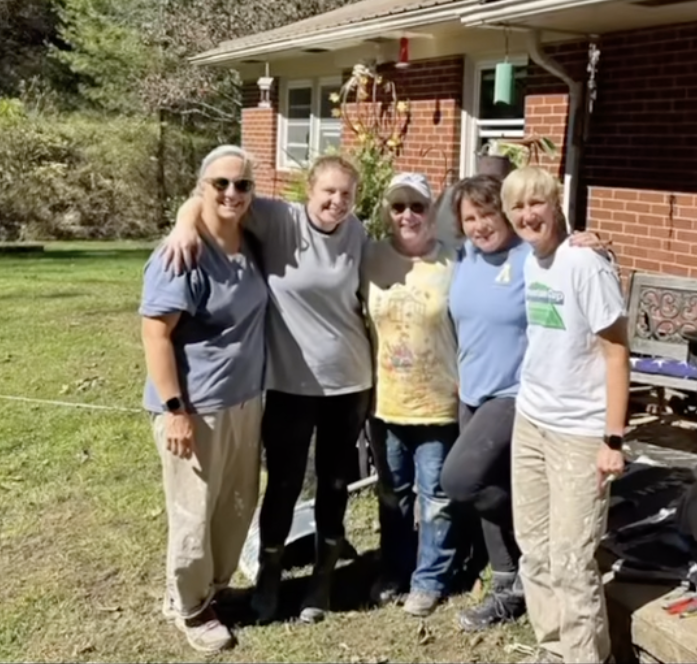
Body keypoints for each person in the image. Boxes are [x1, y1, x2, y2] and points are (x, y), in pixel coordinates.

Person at [162, 155, 373, 625]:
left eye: (346, 195)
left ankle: (322, 578)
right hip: (289, 384)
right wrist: (182, 226)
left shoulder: (357, 233)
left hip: (350, 382)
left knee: (336, 482)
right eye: (328, 192)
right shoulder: (280, 219)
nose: (336, 203)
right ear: (309, 192)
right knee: (283, 482)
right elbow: (217, 199)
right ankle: (269, 578)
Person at [440, 174, 606, 633]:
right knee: (488, 481)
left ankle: (537, 544)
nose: (479, 226)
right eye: (469, 218)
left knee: (461, 481)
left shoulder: (530, 257)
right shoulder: (464, 257)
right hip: (471, 389)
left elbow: (570, 263)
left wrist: (587, 241)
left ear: (506, 215)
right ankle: (509, 582)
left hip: (515, 393)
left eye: (487, 215)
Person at [141, 145, 268, 653]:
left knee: (235, 505)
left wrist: (189, 213)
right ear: (202, 188)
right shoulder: (182, 254)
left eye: (242, 184)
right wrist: (176, 411)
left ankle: (209, 590)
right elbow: (155, 334)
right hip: (196, 406)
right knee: (193, 508)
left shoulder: (250, 238)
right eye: (220, 184)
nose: (232, 193)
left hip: (244, 400)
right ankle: (189, 607)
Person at [500, 166, 631, 664]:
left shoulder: (585, 264)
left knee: (572, 560)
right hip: (531, 418)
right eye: (518, 206)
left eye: (537, 202)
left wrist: (613, 439)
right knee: (534, 547)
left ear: (556, 204)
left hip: (580, 431)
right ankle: (553, 649)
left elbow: (618, 352)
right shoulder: (532, 260)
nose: (528, 214)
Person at [362, 172, 460, 618]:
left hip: (438, 401)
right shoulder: (369, 257)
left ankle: (429, 579)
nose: (407, 215)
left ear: (432, 212)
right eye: (398, 206)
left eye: (417, 206)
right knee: (392, 493)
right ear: (387, 212)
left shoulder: (456, 262)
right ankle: (395, 570)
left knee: (436, 496)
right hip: (385, 402)